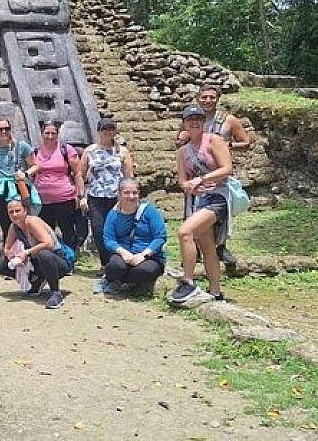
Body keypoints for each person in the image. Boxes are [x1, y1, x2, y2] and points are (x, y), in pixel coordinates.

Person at [176, 83, 251, 270]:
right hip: (195, 176)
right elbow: (180, 144)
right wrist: (181, 140)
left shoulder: (227, 120)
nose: (207, 100)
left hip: (217, 173)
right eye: (204, 97)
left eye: (212, 97)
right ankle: (194, 252)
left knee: (217, 216)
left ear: (218, 99)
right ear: (198, 99)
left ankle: (220, 248)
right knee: (192, 213)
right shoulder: (190, 119)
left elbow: (246, 142)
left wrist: (225, 146)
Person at [171, 105, 233, 304]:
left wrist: (202, 179)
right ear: (184, 124)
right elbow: (182, 181)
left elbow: (227, 168)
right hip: (199, 199)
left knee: (185, 232)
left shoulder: (213, 140)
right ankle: (215, 291)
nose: (194, 123)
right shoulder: (183, 151)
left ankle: (188, 281)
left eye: (198, 119)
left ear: (203, 122)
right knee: (207, 246)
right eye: (190, 120)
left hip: (217, 197)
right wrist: (190, 186)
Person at [79, 117, 135, 273]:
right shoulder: (90, 151)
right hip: (96, 196)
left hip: (117, 197)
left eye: (111, 129)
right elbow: (81, 175)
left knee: (119, 230)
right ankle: (106, 263)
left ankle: (120, 261)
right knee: (99, 230)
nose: (108, 132)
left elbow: (128, 175)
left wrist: (131, 195)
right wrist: (82, 196)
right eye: (105, 129)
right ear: (99, 131)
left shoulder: (122, 151)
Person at [0, 116, 37, 261]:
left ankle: (28, 255)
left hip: (18, 187)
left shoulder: (21, 146)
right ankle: (9, 257)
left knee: (23, 222)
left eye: (6, 128)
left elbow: (35, 165)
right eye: (0, 129)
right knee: (6, 225)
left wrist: (25, 174)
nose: (4, 132)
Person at [2, 198, 75, 310]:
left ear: (25, 210)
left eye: (17, 211)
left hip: (58, 260)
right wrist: (12, 257)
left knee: (44, 254)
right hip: (35, 261)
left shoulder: (32, 222)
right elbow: (7, 248)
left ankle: (55, 293)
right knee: (1, 265)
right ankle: (36, 280)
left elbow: (48, 243)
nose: (15, 215)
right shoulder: (13, 227)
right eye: (11, 212)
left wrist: (26, 253)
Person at [99, 177, 166, 295]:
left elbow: (160, 237)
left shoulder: (150, 211)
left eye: (134, 193)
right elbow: (108, 239)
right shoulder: (113, 214)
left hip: (147, 257)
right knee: (115, 266)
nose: (131, 196)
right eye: (126, 193)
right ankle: (116, 279)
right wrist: (122, 252)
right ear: (119, 194)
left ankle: (121, 280)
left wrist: (144, 254)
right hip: (124, 255)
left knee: (146, 271)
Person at [25, 120, 84, 253]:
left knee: (68, 231)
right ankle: (52, 259)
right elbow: (31, 175)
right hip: (42, 201)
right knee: (46, 232)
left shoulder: (66, 150)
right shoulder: (35, 152)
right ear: (42, 134)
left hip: (64, 198)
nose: (50, 136)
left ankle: (69, 257)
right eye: (47, 133)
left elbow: (77, 173)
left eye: (53, 133)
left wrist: (80, 195)